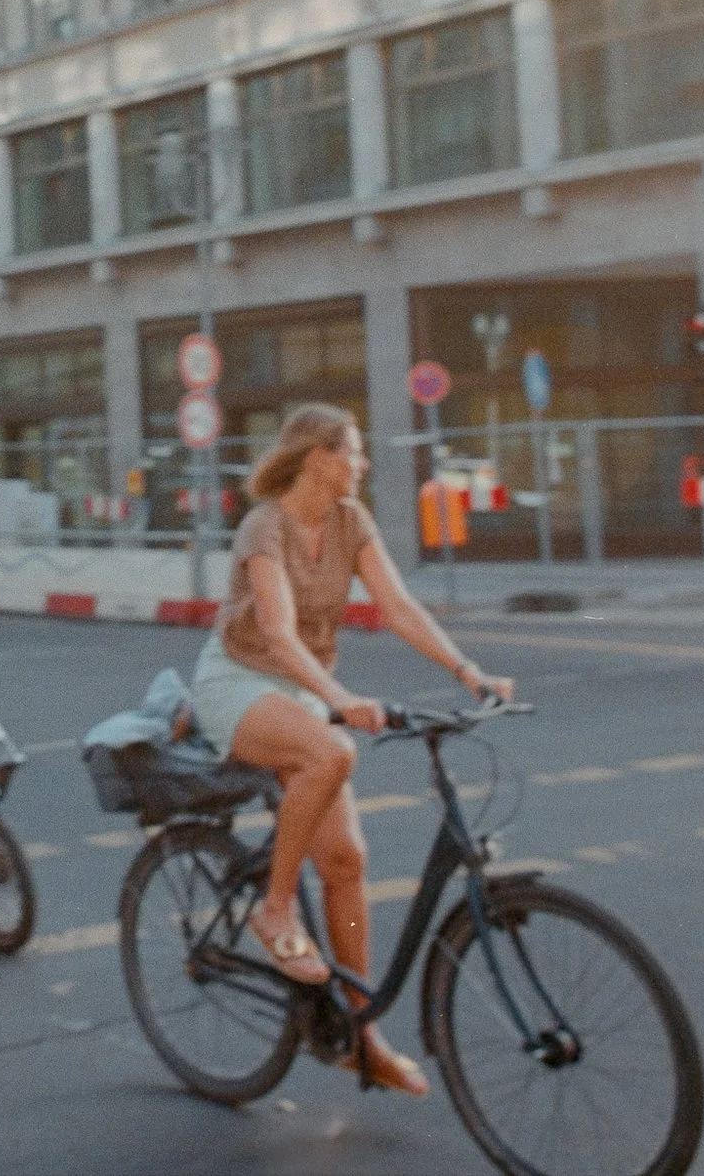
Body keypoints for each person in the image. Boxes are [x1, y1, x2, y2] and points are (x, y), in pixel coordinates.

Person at [189, 401, 514, 1099]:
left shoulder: (350, 521)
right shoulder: (265, 525)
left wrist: (468, 671)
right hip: (239, 682)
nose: (363, 465)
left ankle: (360, 1038)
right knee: (330, 755)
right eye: (354, 453)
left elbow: (398, 606)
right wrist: (338, 698)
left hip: (303, 691)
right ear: (317, 458)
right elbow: (276, 633)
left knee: (346, 860)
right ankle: (275, 910)